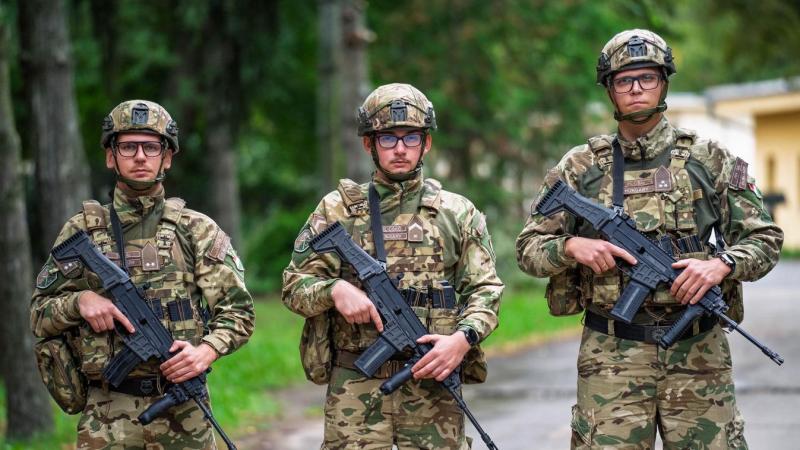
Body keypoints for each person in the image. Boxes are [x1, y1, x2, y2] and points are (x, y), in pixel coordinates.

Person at [516, 29, 783, 449]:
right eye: (624, 80)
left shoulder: (709, 158)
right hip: (612, 353)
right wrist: (571, 247)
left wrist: (720, 265)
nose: (636, 89)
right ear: (610, 89)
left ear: (664, 83)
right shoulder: (580, 166)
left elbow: (764, 238)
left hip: (699, 350)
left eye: (648, 77)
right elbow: (528, 248)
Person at [282, 83, 503, 449]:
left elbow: (486, 289)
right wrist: (334, 290)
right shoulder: (336, 210)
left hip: (434, 384)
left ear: (426, 143)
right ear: (369, 144)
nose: (400, 149)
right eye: (388, 138)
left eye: (411, 137)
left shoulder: (456, 212)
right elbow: (293, 286)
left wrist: (461, 340)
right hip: (356, 386)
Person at [31, 100, 255, 449]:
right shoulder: (81, 233)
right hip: (105, 416)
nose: (140, 156)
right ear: (111, 156)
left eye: (151, 147)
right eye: (128, 146)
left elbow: (239, 312)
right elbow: (38, 315)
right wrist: (80, 301)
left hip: (184, 411)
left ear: (167, 157)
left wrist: (206, 351)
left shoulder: (197, 231)